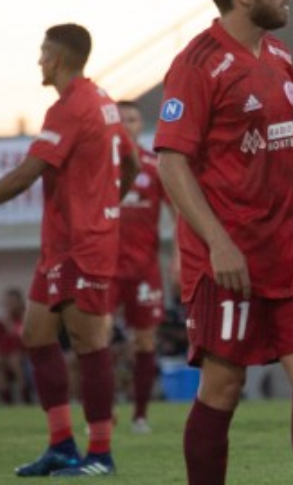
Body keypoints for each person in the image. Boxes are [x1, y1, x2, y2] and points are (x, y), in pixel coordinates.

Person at [156, 0, 293, 485]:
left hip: (288, 249)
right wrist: (218, 242)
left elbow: (286, 147)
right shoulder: (196, 63)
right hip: (227, 257)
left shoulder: (282, 58)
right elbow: (171, 161)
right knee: (223, 386)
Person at [0, 23, 138, 477]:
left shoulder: (71, 107)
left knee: (89, 343)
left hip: (85, 245)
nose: (39, 60)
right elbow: (133, 161)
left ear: (58, 59)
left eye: (43, 53)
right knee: (37, 337)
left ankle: (100, 454)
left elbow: (25, 175)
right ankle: (61, 446)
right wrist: (111, 202)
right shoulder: (103, 101)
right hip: (63, 245)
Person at [110, 100, 171, 433]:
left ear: (140, 124)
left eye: (132, 118)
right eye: (120, 119)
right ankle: (103, 411)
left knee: (145, 341)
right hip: (104, 266)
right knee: (97, 338)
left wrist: (179, 258)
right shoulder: (101, 164)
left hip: (144, 268)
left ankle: (140, 415)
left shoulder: (155, 165)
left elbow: (180, 213)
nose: (127, 124)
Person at [0, 288, 30, 404]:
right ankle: (5, 397)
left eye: (12, 302)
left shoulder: (26, 318)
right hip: (4, 354)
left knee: (14, 360)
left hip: (23, 354)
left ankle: (24, 392)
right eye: (7, 302)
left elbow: (23, 338)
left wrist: (11, 324)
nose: (9, 305)